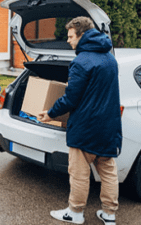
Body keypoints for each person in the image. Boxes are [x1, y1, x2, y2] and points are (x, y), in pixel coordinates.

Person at [38, 17, 122, 225]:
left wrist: (50, 113)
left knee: (79, 174)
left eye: (70, 36)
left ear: (81, 34)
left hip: (85, 127)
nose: (68, 40)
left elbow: (71, 98)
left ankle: (75, 212)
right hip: (108, 126)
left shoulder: (80, 61)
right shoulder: (110, 59)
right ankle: (109, 214)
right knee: (108, 172)